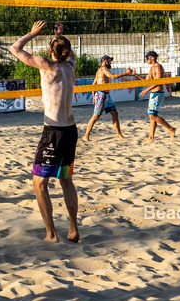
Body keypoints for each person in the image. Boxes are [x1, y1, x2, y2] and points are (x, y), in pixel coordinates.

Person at [10, 21, 80, 243]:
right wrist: (61, 36)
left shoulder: (46, 66)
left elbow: (15, 48)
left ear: (51, 51)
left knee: (40, 184)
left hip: (53, 133)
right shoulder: (70, 67)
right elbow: (71, 54)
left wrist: (32, 33)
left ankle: (51, 235)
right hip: (70, 131)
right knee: (66, 180)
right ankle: (73, 228)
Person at [83, 55, 133, 142]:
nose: (111, 62)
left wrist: (94, 96)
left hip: (105, 95)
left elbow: (93, 85)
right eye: (110, 60)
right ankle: (86, 136)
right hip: (101, 95)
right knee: (95, 116)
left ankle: (119, 135)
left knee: (115, 113)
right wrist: (126, 73)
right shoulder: (103, 69)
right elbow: (112, 77)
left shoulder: (99, 70)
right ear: (105, 61)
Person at [133, 51, 176, 140]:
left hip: (158, 93)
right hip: (154, 93)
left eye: (147, 58)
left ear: (152, 58)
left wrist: (146, 90)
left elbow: (158, 81)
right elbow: (146, 81)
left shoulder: (158, 67)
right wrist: (135, 75)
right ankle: (151, 136)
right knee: (152, 116)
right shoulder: (152, 68)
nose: (146, 60)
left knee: (152, 115)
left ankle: (171, 129)